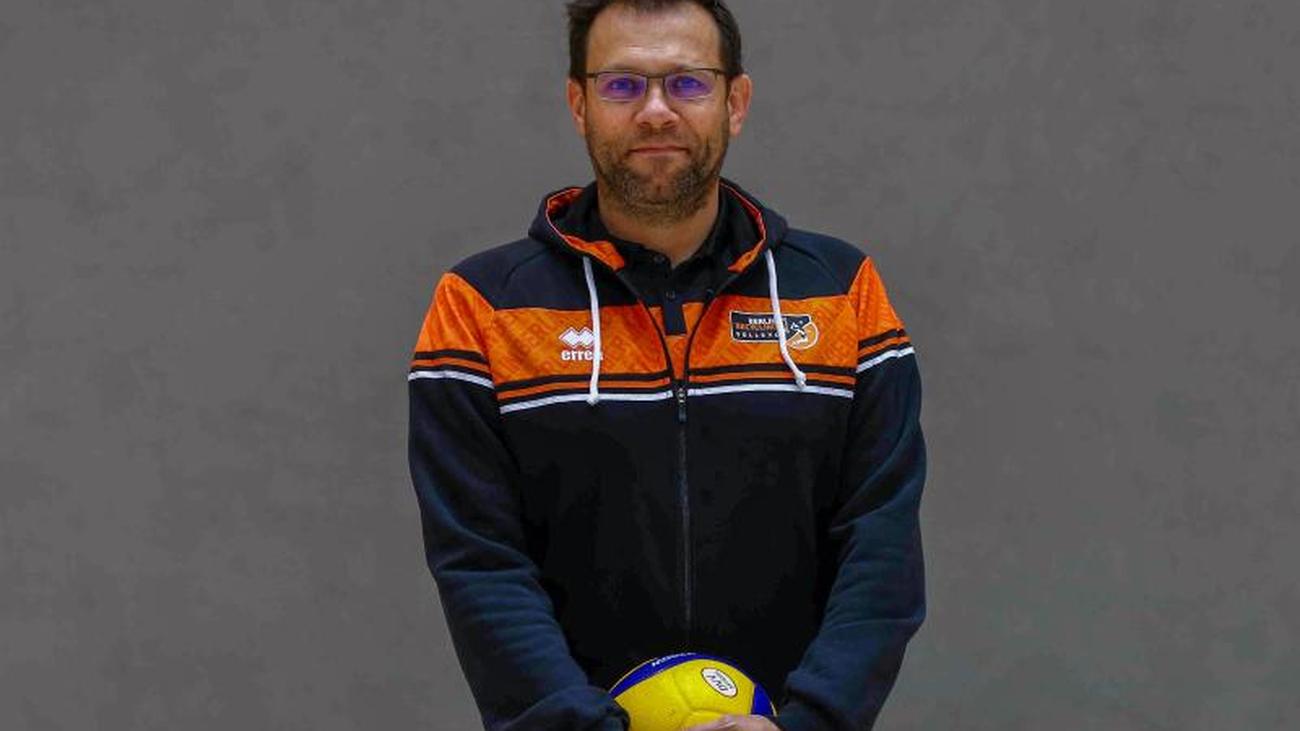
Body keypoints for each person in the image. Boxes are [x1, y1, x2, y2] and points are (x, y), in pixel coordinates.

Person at [406, 1, 926, 729]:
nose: (656, 111)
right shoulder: (482, 308)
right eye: (622, 85)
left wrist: (807, 722)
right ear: (578, 104)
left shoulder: (843, 294)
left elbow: (881, 545)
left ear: (735, 102)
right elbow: (480, 564)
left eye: (688, 83)